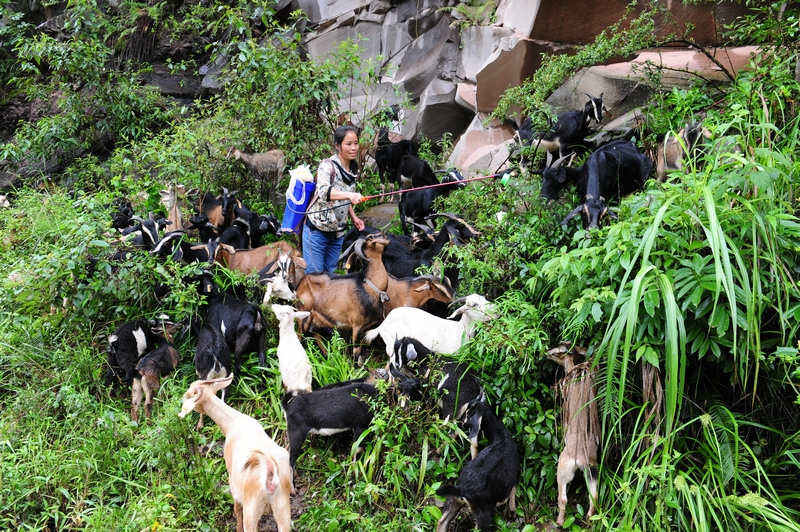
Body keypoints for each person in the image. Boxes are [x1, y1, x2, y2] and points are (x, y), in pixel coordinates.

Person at [302, 125, 365, 273]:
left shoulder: (353, 169)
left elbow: (344, 197)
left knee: (330, 274)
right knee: (315, 277)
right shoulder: (327, 166)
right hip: (317, 230)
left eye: (356, 143)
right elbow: (324, 192)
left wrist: (354, 217)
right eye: (348, 144)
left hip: (337, 232)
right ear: (338, 146)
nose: (354, 148)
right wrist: (350, 195)